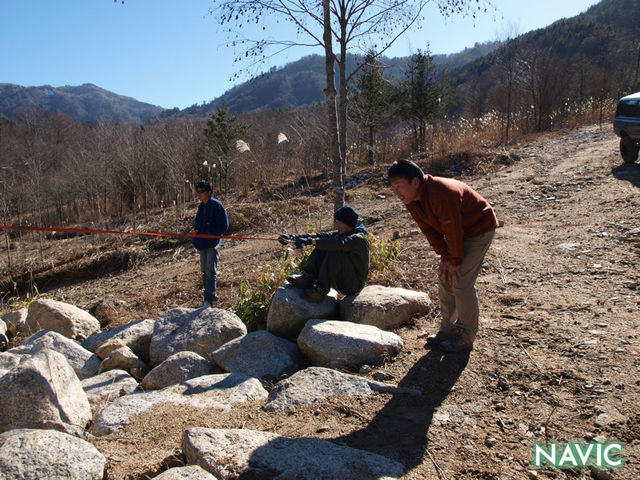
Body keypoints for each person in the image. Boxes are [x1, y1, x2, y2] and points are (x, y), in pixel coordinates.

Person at [388, 159, 499, 352]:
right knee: (445, 278)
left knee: (461, 281)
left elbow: (452, 228)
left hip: (478, 229)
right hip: (459, 233)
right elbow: (429, 230)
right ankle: (447, 329)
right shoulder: (412, 199)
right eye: (393, 188)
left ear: (415, 182)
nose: (397, 193)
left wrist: (454, 260)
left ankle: (465, 336)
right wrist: (444, 256)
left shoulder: (441, 193)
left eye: (399, 187)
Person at [279, 206, 370, 303]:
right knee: (322, 245)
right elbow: (321, 236)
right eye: (337, 223)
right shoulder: (343, 233)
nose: (337, 226)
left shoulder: (359, 239)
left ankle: (320, 290)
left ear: (348, 223)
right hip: (341, 279)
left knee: (333, 250)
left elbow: (339, 244)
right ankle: (308, 279)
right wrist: (295, 237)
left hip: (353, 285)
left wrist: (314, 242)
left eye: (340, 223)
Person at [193, 181, 229, 308]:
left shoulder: (216, 205)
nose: (199, 194)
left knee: (210, 272)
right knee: (204, 271)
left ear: (208, 192)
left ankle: (209, 300)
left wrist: (214, 237)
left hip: (213, 244)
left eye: (202, 191)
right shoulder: (201, 207)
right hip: (202, 243)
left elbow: (224, 225)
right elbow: (197, 224)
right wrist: (196, 237)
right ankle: (210, 296)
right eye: (198, 191)